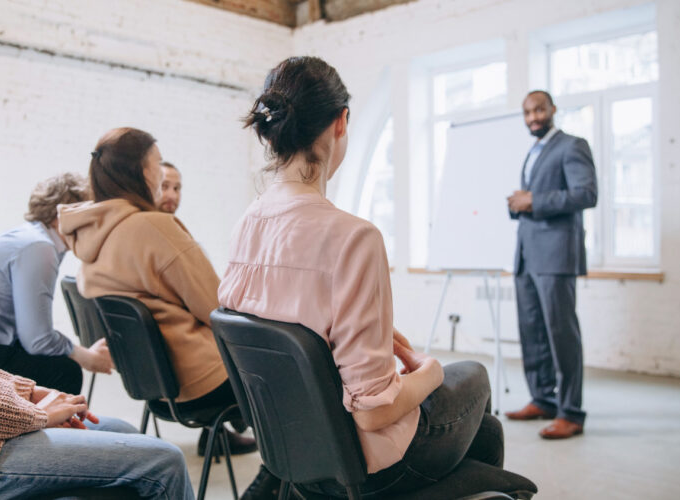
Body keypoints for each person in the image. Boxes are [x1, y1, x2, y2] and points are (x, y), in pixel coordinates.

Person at [219, 56, 511, 499]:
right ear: (341, 123)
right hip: (364, 466)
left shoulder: (246, 225)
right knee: (471, 374)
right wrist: (429, 372)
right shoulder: (354, 238)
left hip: (292, 449)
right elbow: (374, 413)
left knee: (487, 432)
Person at [57, 128, 256, 459]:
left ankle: (274, 479)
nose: (160, 172)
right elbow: (217, 307)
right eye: (157, 163)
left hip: (155, 388)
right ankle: (278, 482)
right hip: (203, 381)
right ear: (142, 170)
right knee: (300, 380)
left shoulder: (92, 236)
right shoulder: (153, 227)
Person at [0, 268, 195, 500]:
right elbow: (36, 339)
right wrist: (38, 414)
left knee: (123, 429)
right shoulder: (36, 246)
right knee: (165, 461)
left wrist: (28, 392)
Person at [0, 173, 112, 395]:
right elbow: (37, 339)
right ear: (62, 214)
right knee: (64, 371)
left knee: (53, 360)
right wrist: (85, 357)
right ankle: (52, 427)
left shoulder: (31, 238)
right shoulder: (39, 247)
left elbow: (31, 335)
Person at [505, 90, 597, 439]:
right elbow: (536, 199)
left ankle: (571, 413)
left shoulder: (573, 145)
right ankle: (543, 399)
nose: (533, 118)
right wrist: (519, 203)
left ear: (553, 109)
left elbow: (587, 194)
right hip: (528, 255)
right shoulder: (535, 150)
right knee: (533, 331)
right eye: (527, 112)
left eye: (539, 110)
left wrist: (534, 200)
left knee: (561, 334)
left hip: (557, 255)